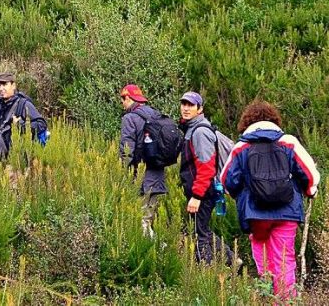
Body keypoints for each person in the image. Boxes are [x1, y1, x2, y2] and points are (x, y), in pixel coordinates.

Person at [221, 101, 320, 299]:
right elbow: (310, 174)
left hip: (255, 213)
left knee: (262, 255)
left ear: (247, 122)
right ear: (274, 120)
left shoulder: (242, 146)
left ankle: (265, 296)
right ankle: (285, 301)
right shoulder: (289, 142)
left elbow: (227, 180)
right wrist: (310, 191)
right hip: (287, 211)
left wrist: (241, 196)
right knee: (285, 259)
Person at [178, 91, 237, 267]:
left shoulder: (200, 132)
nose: (186, 108)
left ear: (200, 109)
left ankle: (208, 272)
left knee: (199, 233)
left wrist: (196, 196)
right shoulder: (193, 129)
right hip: (204, 190)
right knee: (201, 229)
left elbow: (206, 167)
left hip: (202, 192)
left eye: (190, 105)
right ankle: (232, 260)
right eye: (184, 104)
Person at [118, 84, 167, 238]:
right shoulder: (155, 115)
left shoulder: (130, 118)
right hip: (157, 178)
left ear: (128, 98)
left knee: (141, 225)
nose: (122, 104)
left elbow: (127, 151)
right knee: (147, 221)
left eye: (122, 100)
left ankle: (158, 255)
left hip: (141, 180)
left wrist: (122, 175)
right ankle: (158, 253)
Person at [0, 73, 48, 160]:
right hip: (5, 157)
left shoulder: (23, 104)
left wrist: (21, 124)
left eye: (5, 84)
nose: (1, 88)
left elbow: (42, 124)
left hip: (22, 157)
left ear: (13, 85)